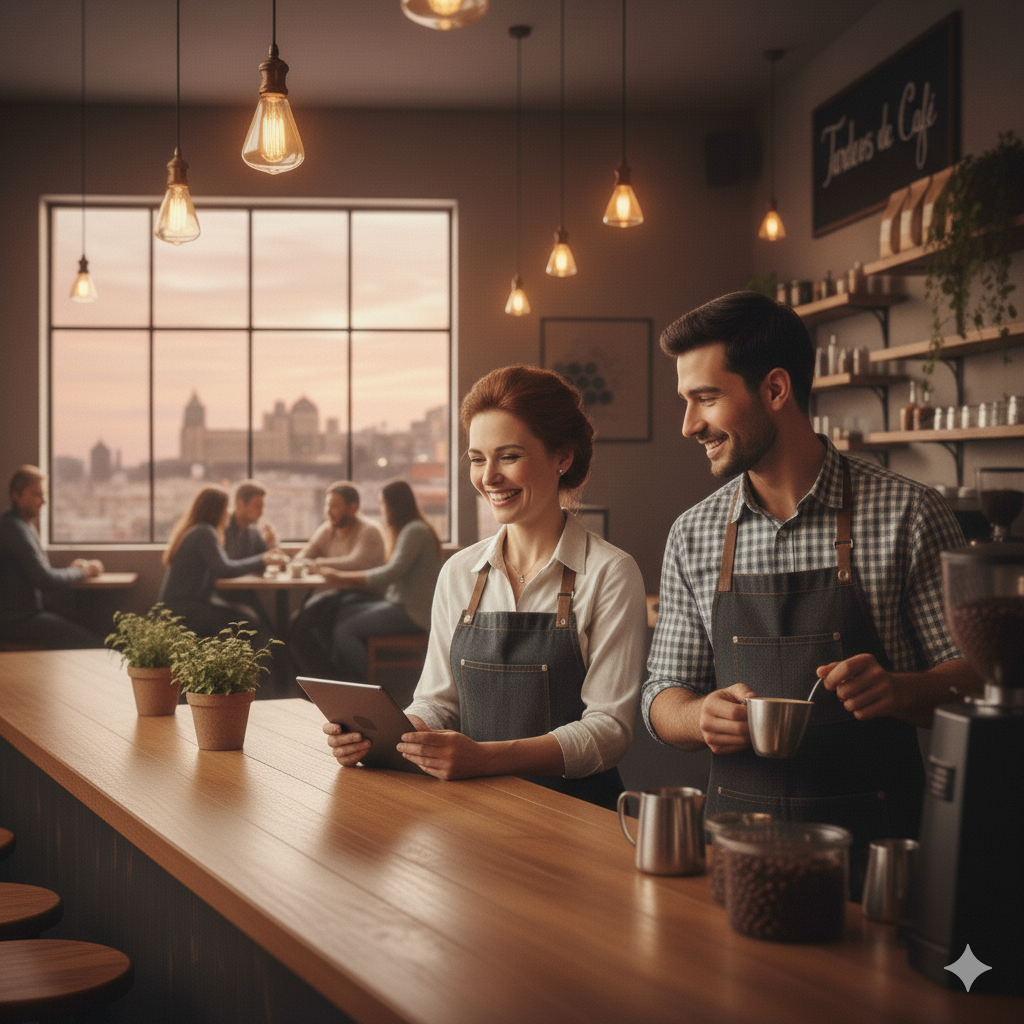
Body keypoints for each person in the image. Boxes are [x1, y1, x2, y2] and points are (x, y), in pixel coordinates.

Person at [641, 290, 980, 894]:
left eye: (706, 398)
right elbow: (661, 697)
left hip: (877, 866)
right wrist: (700, 716)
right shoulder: (692, 533)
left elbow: (976, 682)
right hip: (734, 857)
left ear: (775, 390)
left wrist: (899, 689)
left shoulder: (908, 514)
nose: (689, 425)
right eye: (686, 401)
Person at [323, 366, 649, 810]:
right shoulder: (459, 571)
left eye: (509, 456)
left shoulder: (611, 573)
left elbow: (608, 732)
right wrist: (386, 738)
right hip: (475, 813)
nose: (489, 477)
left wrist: (485, 758)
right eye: (478, 458)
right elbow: (438, 704)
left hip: (577, 817)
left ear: (563, 458)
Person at [304, 479, 441, 682]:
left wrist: (338, 576)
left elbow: (390, 574)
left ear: (394, 505)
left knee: (344, 631)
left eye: (382, 504)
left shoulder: (414, 531)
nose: (381, 509)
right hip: (398, 604)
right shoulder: (411, 529)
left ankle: (368, 687)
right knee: (340, 612)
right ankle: (345, 679)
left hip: (413, 613)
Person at [157, 485, 287, 639]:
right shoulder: (204, 532)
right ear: (216, 510)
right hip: (183, 609)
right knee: (247, 620)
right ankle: (234, 662)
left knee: (249, 616)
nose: (228, 512)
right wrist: (262, 559)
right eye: (225, 508)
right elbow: (224, 569)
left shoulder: (200, 530)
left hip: (184, 606)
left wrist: (269, 549)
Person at [0, 465, 105, 648]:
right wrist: (83, 571)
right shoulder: (14, 529)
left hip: (23, 615)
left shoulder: (22, 527)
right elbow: (45, 580)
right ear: (16, 495)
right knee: (95, 645)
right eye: (36, 494)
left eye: (43, 494)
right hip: (16, 621)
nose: (43, 501)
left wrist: (74, 570)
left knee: (95, 630)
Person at [287, 481, 386, 675]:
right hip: (336, 595)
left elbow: (356, 564)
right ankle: (325, 677)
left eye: (334, 506)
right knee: (297, 625)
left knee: (310, 621)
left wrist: (320, 564)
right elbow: (301, 558)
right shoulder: (327, 530)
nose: (328, 511)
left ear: (352, 508)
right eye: (327, 505)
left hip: (364, 595)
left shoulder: (369, 530)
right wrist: (311, 564)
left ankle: (330, 679)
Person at [223, 479, 278, 559]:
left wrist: (270, 545)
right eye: (257, 507)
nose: (261, 512)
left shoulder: (254, 532)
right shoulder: (224, 529)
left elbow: (264, 560)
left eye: (262, 507)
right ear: (240, 504)